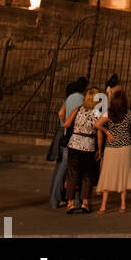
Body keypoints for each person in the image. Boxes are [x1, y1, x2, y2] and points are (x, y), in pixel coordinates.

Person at [96, 87, 131, 212]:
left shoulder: (109, 113)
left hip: (111, 147)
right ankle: (123, 204)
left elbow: (96, 124)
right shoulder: (130, 113)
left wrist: (107, 132)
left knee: (107, 173)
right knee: (123, 174)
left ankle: (103, 205)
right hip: (125, 147)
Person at [48, 77, 86, 209]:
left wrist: (64, 124)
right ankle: (63, 198)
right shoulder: (82, 99)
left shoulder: (69, 98)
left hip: (62, 132)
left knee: (60, 167)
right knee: (68, 166)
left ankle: (54, 196)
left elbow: (60, 113)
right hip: (72, 134)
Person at [64, 85, 101, 213]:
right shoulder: (97, 112)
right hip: (88, 145)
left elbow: (66, 124)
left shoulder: (78, 109)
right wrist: (100, 149)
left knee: (72, 174)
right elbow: (99, 132)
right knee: (87, 174)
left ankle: (70, 203)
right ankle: (85, 202)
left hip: (74, 143)